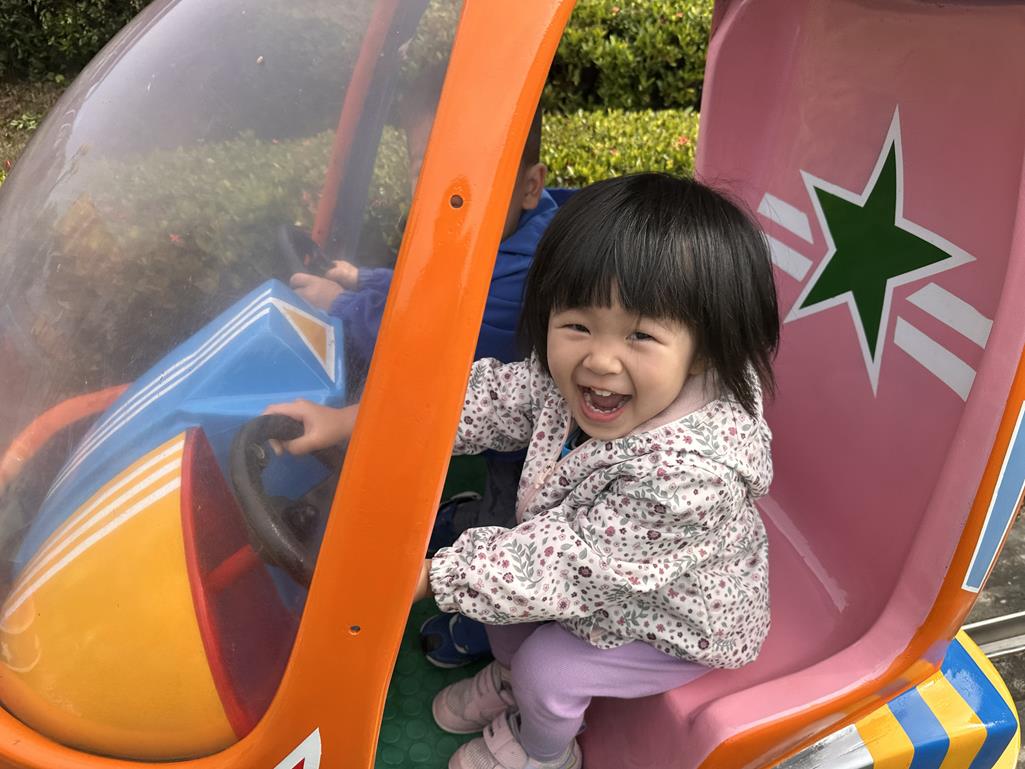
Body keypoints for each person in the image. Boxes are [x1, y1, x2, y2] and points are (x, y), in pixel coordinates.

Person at [268, 173, 780, 769]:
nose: (600, 358)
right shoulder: (577, 381)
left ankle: (544, 752)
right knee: (505, 619)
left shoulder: (689, 477)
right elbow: (483, 400)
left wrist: (432, 574)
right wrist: (353, 421)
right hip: (587, 575)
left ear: (705, 351)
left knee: (546, 669)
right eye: (577, 324)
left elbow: (566, 564)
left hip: (674, 616)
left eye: (640, 335)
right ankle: (511, 683)